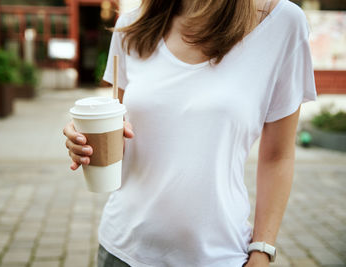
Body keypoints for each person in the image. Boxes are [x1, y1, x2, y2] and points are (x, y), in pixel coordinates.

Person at [63, 0, 317, 266]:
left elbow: (278, 155)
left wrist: (262, 250)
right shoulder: (132, 26)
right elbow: (122, 130)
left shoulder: (282, 23)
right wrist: (85, 140)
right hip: (123, 251)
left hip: (218, 256)